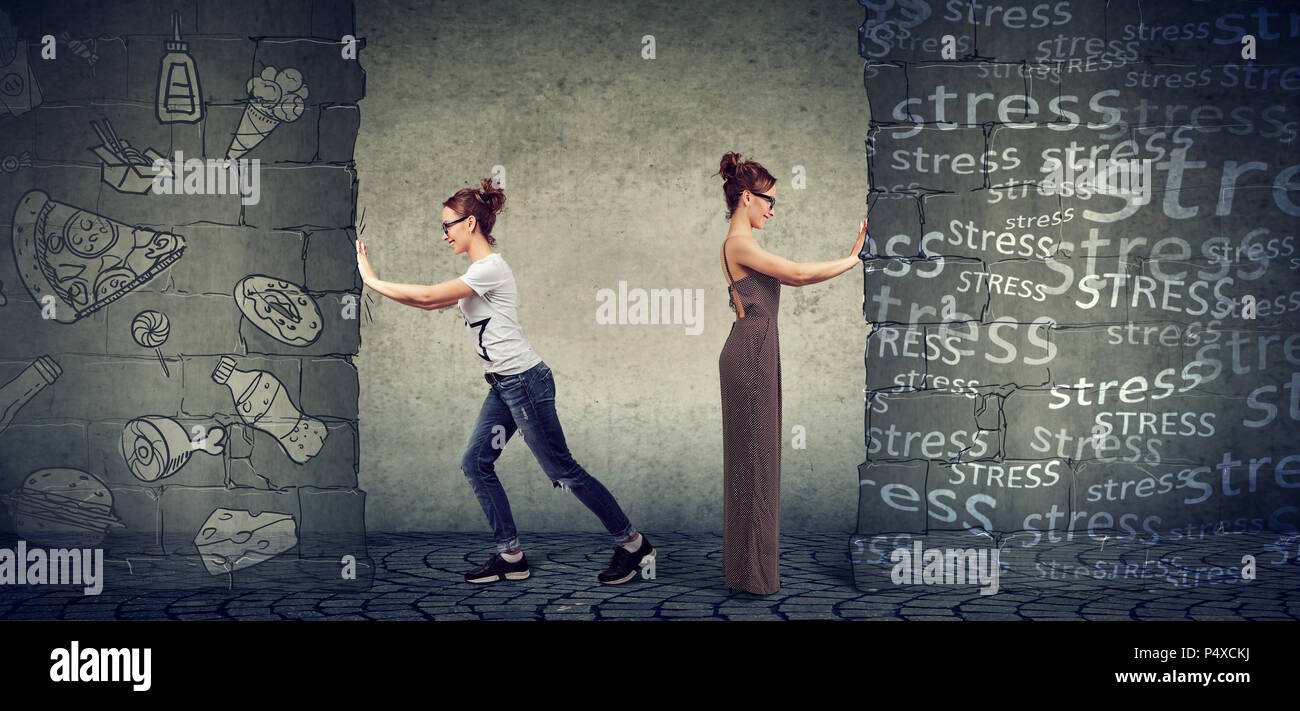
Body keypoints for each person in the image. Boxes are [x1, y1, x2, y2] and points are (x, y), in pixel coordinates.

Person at [356, 178, 656, 584]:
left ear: (471, 224)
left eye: (448, 225)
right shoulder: (476, 274)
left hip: (526, 384)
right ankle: (511, 556)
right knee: (476, 463)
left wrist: (371, 280)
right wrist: (376, 283)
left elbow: (426, 296)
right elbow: (426, 302)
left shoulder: (491, 268)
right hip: (504, 386)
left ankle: (635, 546)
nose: (444, 234)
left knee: (563, 471)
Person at [716, 153, 865, 594]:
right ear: (746, 197)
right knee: (758, 465)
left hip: (753, 352)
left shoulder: (743, 245)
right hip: (752, 355)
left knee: (751, 465)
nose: (771, 210)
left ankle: (745, 573)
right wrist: (851, 260)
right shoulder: (739, 245)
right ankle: (755, 578)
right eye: (768, 201)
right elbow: (798, 275)